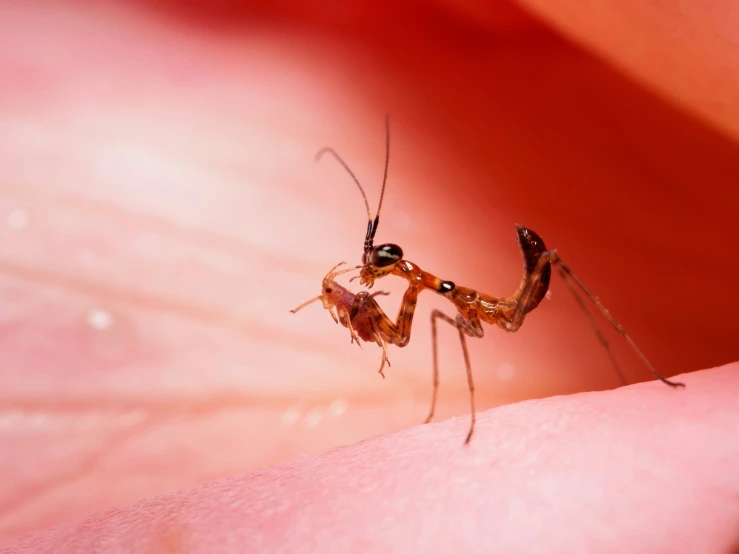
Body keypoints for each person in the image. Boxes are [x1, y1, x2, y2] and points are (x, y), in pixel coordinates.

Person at [1, 0, 738, 551]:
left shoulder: (438, 294)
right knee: (451, 310)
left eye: (380, 264)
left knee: (495, 301)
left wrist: (467, 408)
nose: (376, 274)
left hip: (573, 311)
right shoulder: (408, 285)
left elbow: (467, 317)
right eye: (378, 267)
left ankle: (623, 360)